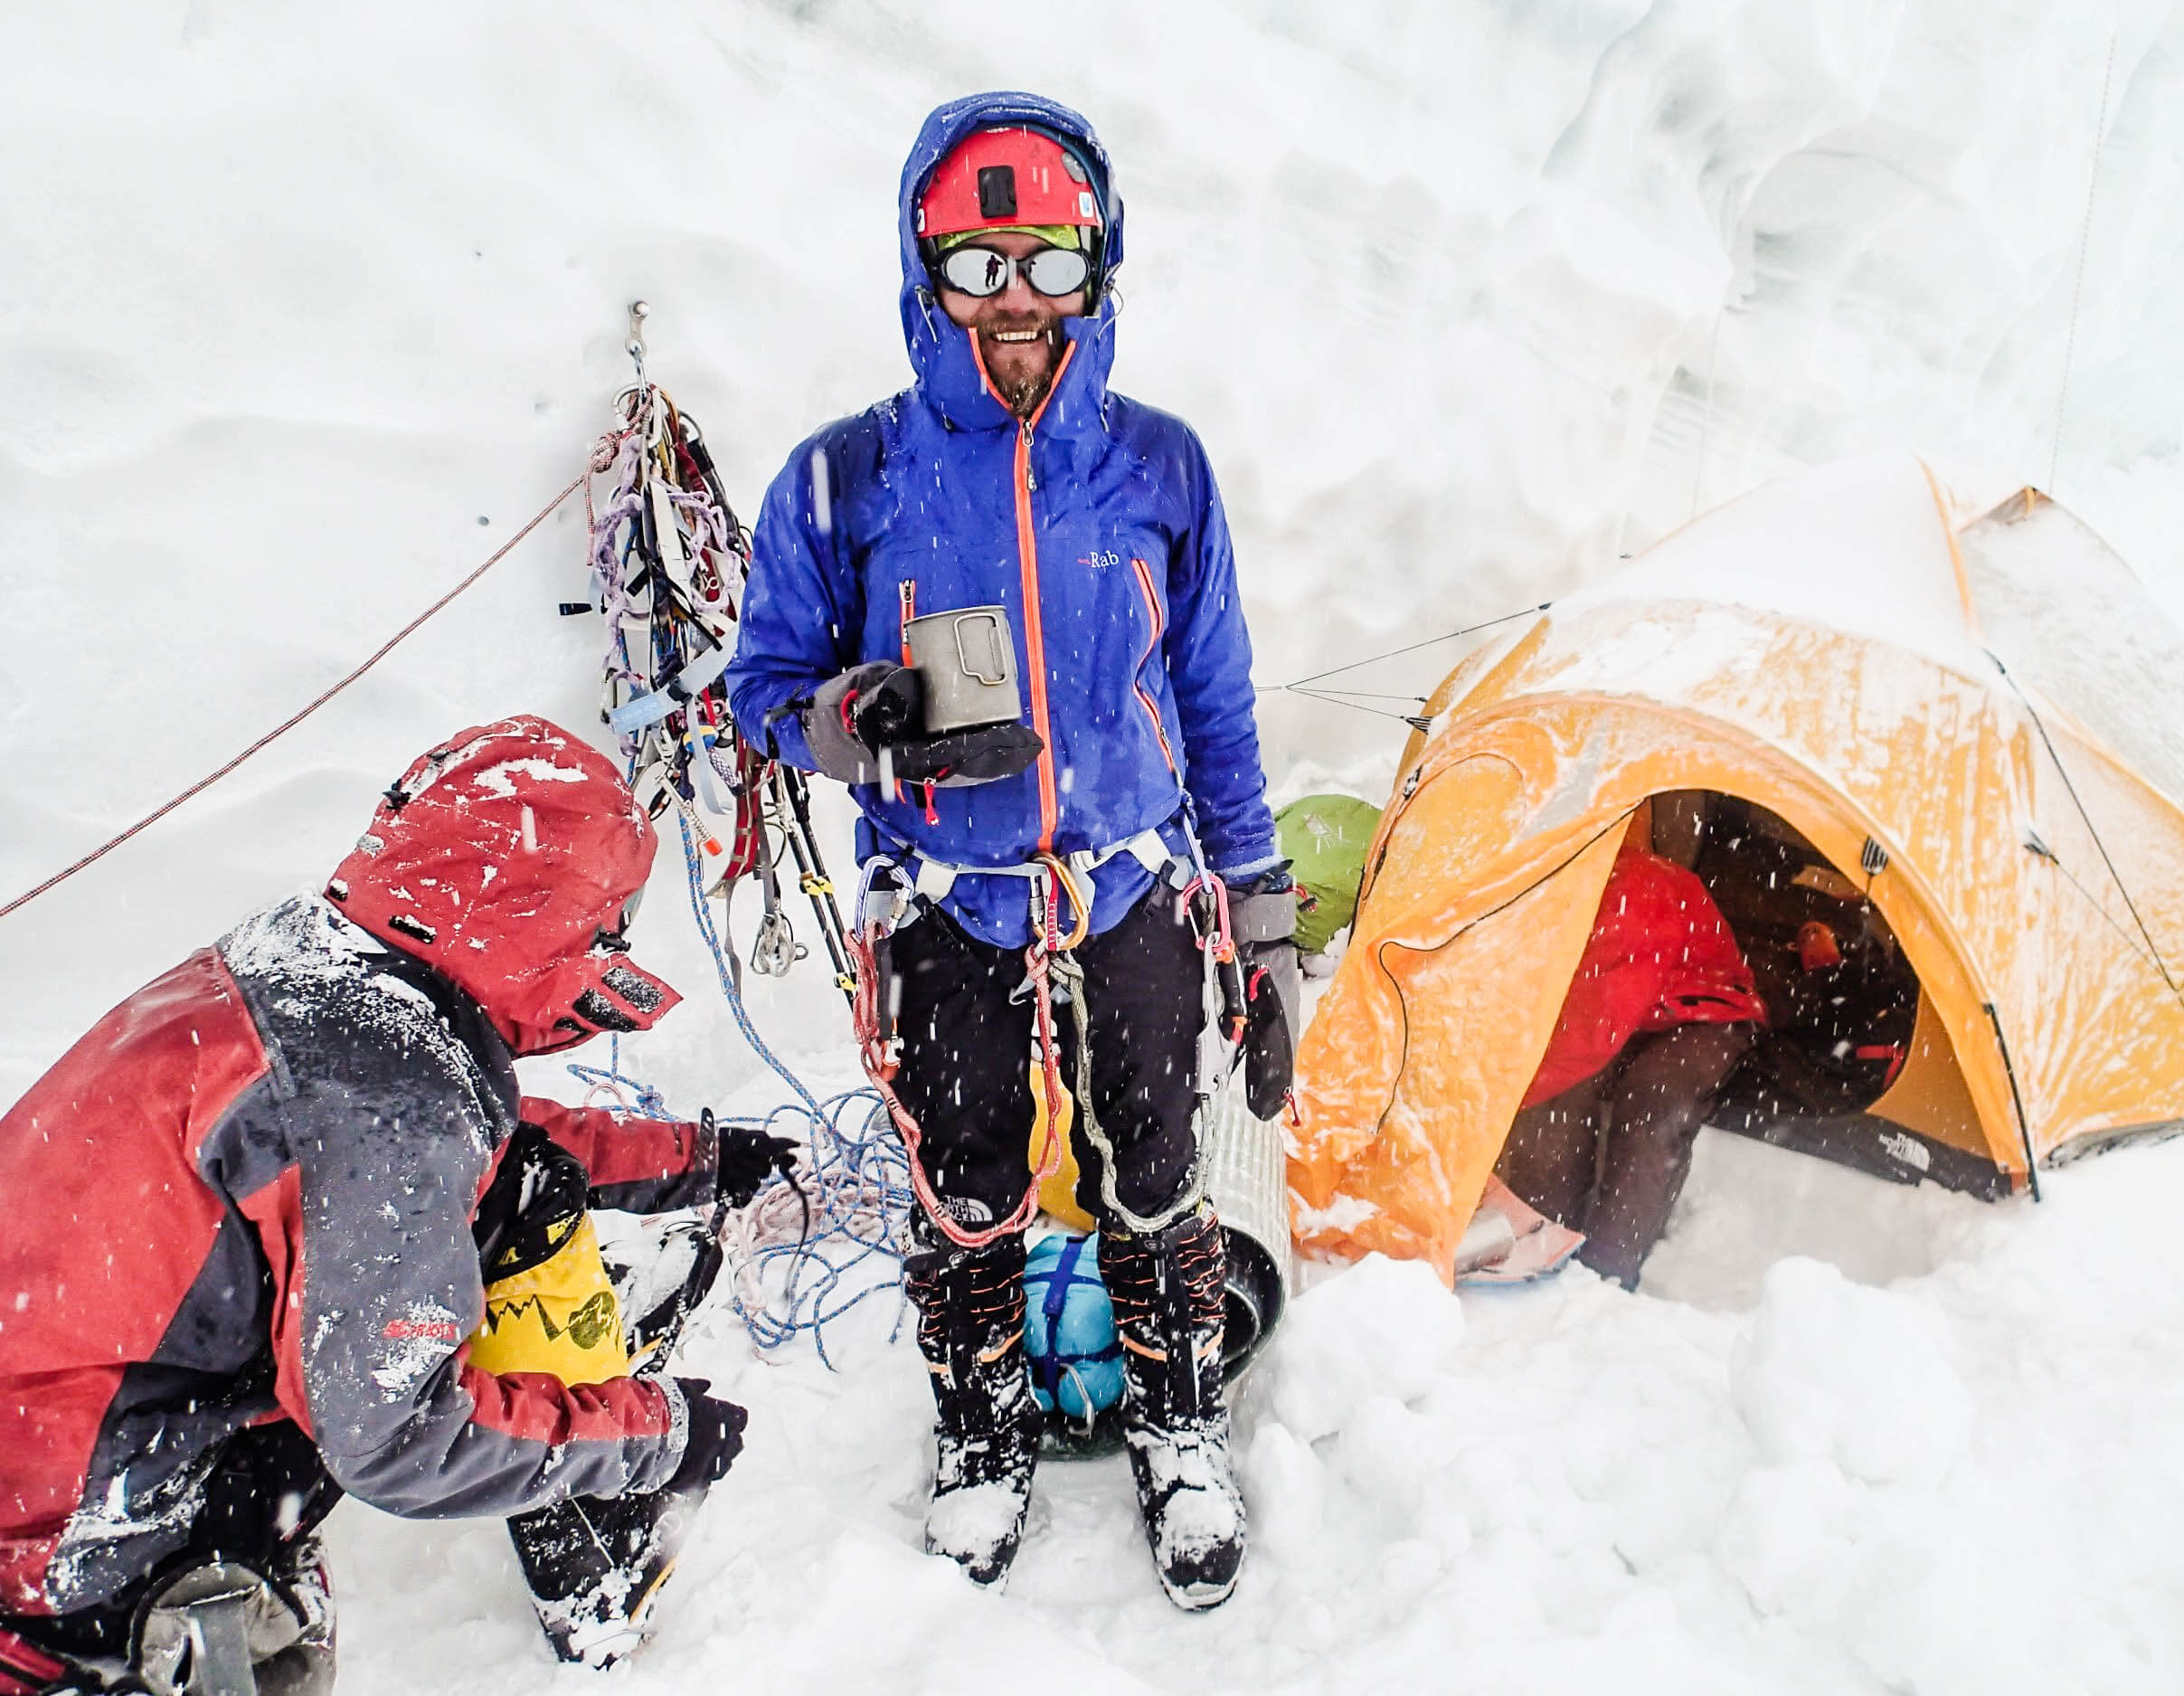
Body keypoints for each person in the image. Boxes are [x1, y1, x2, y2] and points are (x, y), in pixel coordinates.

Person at [725, 92, 1293, 1610]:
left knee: (1158, 1177)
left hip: (1131, 891)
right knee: (961, 1188)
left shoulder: (1161, 471)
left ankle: (1180, 1426)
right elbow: (764, 694)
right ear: (925, 279)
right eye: (978, 267)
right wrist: (869, 722)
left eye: (1048, 260)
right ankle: (981, 1437)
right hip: (942, 906)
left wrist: (1267, 922)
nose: (1017, 302)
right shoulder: (844, 480)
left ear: (1101, 268)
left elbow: (1219, 707)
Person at [0, 718, 794, 1693]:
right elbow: (397, 1438)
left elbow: (473, 1137)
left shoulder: (318, 968)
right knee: (392, 1406)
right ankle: (588, 1550)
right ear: (537, 913)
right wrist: (652, 1437)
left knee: (510, 1196)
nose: (610, 945)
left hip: (54, 1396)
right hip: (58, 1524)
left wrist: (691, 1160)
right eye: (604, 922)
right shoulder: (386, 1093)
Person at [1477, 836, 1766, 1289]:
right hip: (1635, 1009)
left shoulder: (1633, 898)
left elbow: (1589, 1029)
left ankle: (1606, 1274)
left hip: (1703, 1011)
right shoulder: (1538, 893)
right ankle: (1542, 1238)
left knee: (1655, 1100)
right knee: (1559, 1100)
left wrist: (1496, 1097)